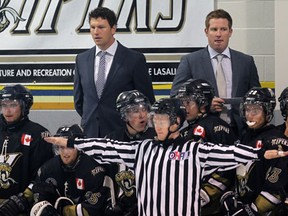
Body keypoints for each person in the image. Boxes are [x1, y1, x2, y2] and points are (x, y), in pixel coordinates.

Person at [44, 98, 288, 216]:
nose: (157, 125)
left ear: (177, 123)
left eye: (162, 121)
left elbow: (230, 153)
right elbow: (107, 147)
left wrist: (260, 152)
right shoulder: (142, 149)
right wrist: (73, 141)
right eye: (155, 120)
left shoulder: (195, 150)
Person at [170, 9, 260, 137]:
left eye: (223, 29)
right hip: (204, 132)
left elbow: (257, 98)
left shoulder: (246, 62)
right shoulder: (190, 61)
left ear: (230, 32)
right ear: (206, 32)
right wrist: (203, 105)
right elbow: (175, 97)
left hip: (241, 132)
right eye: (214, 29)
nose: (218, 34)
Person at [74, 6, 155, 138]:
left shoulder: (134, 59)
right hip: (91, 134)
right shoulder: (82, 59)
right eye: (92, 27)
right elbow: (79, 101)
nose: (96, 32)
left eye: (101, 27)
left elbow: (147, 100)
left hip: (123, 135)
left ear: (113, 29)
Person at [176, 79, 237, 216]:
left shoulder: (216, 127)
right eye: (182, 102)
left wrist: (204, 195)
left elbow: (227, 169)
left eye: (188, 102)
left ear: (202, 104)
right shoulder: (187, 130)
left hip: (211, 206)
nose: (183, 107)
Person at [221, 87, 286, 215]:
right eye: (247, 109)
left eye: (256, 110)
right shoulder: (244, 136)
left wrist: (251, 211)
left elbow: (276, 186)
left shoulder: (275, 139)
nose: (250, 115)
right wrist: (229, 194)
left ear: (267, 112)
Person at [28, 124, 110, 216]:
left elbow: (94, 209)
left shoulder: (93, 170)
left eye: (69, 147)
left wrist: (62, 211)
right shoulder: (47, 169)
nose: (65, 152)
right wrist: (44, 209)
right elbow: (39, 197)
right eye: (62, 147)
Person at [0, 84, 54, 214]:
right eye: (4, 105)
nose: (7, 111)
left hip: (23, 208)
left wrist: (23, 199)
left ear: (24, 107)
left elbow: (44, 176)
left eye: (13, 105)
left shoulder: (38, 134)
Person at [104, 90, 156, 215]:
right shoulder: (112, 139)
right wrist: (108, 202)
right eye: (135, 111)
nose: (142, 115)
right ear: (124, 115)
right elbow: (105, 176)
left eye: (144, 109)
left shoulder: (157, 138)